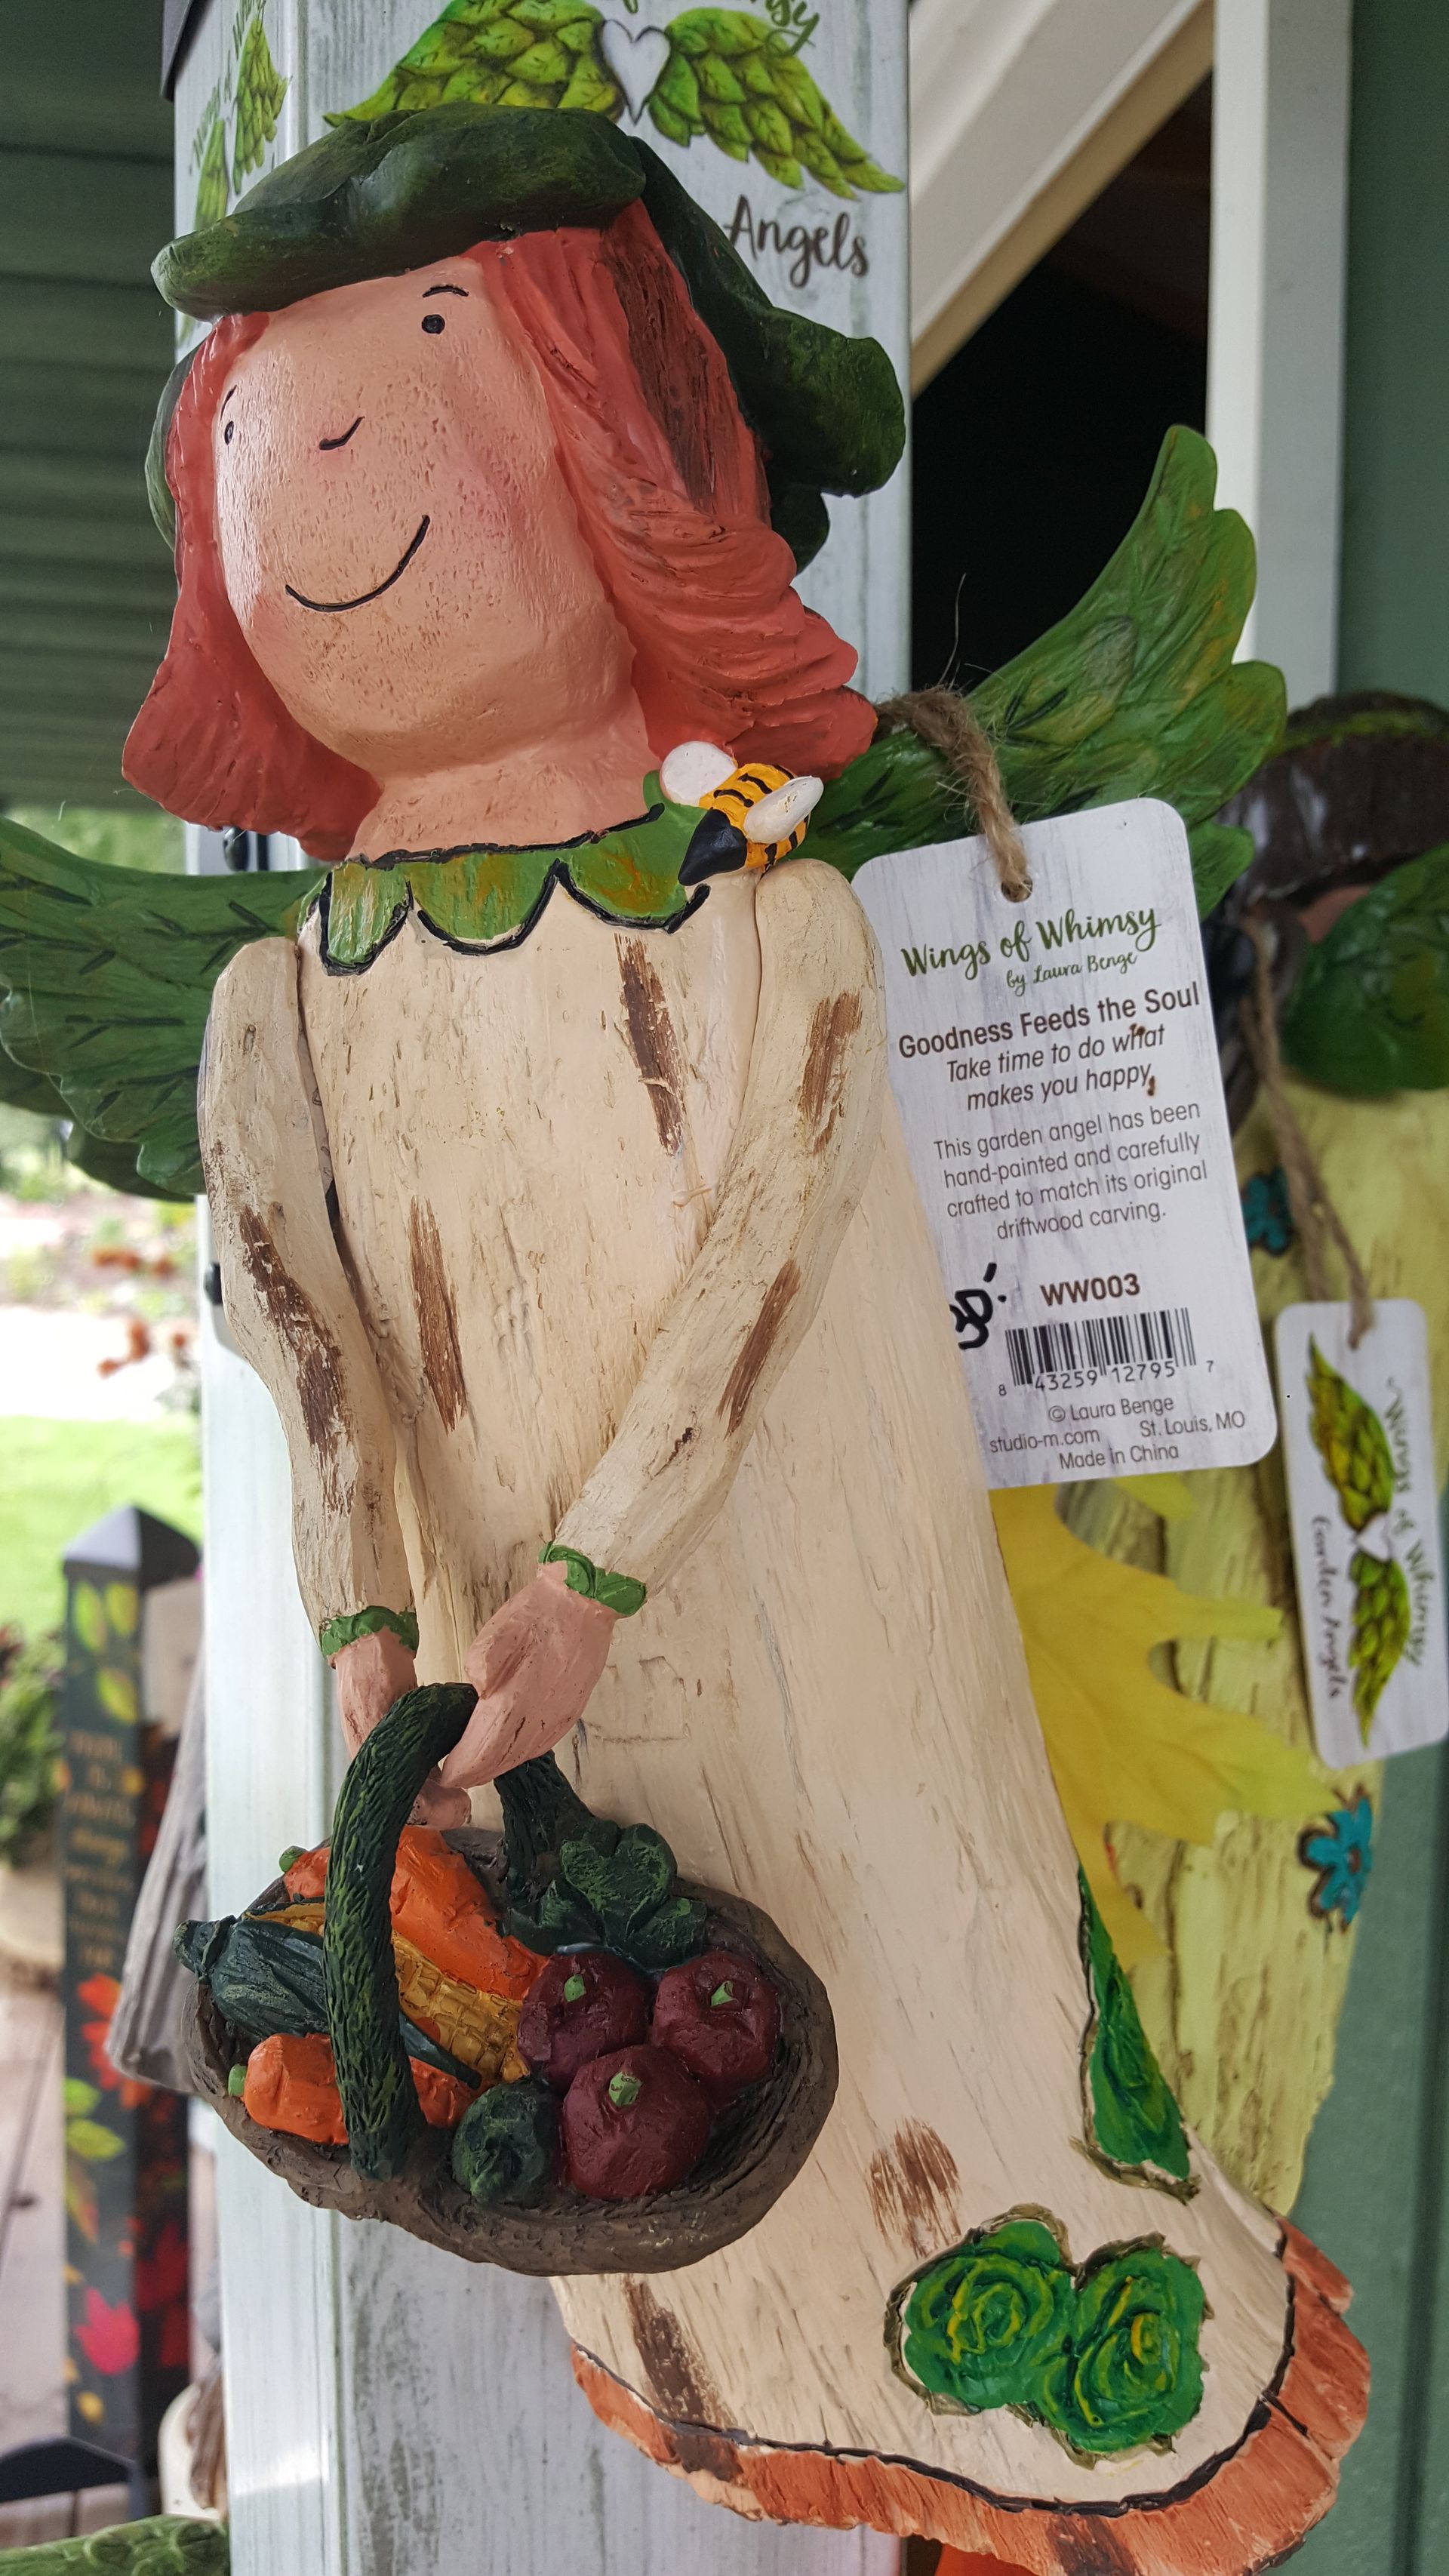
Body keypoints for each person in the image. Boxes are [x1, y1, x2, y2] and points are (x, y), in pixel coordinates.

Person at [124, 106, 1363, 2568]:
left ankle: (1070, 2318)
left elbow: (757, 1286)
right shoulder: (286, 1000)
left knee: (920, 1952)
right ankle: (696, 2333)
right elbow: (308, 1348)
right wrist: (366, 1629)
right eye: (261, 395)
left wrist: (586, 1590)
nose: (308, 444)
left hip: (770, 1621)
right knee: (617, 2068)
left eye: (436, 343)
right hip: (510, 1698)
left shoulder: (770, 928)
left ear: (634, 439)